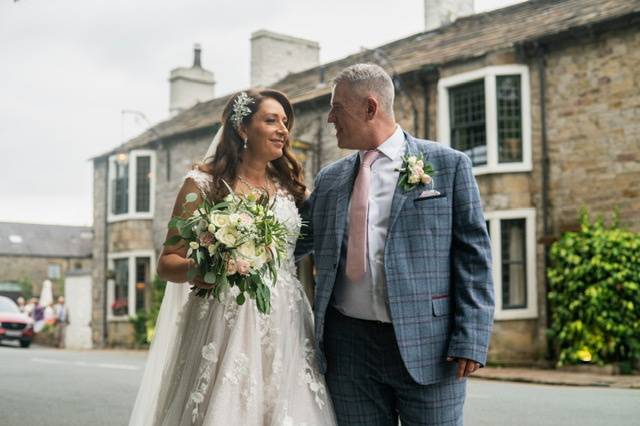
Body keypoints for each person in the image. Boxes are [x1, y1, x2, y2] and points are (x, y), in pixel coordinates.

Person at [296, 63, 495, 425]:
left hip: (430, 346)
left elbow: (474, 258)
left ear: (370, 108)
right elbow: (294, 242)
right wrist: (236, 242)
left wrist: (472, 337)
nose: (329, 119)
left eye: (336, 107)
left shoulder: (449, 166)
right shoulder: (329, 180)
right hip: (348, 351)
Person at [129, 89, 336, 426]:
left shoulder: (291, 189)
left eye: (285, 121)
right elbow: (167, 262)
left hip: (286, 315)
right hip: (224, 318)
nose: (283, 128)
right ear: (242, 128)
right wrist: (208, 266)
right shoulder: (203, 184)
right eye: (271, 120)